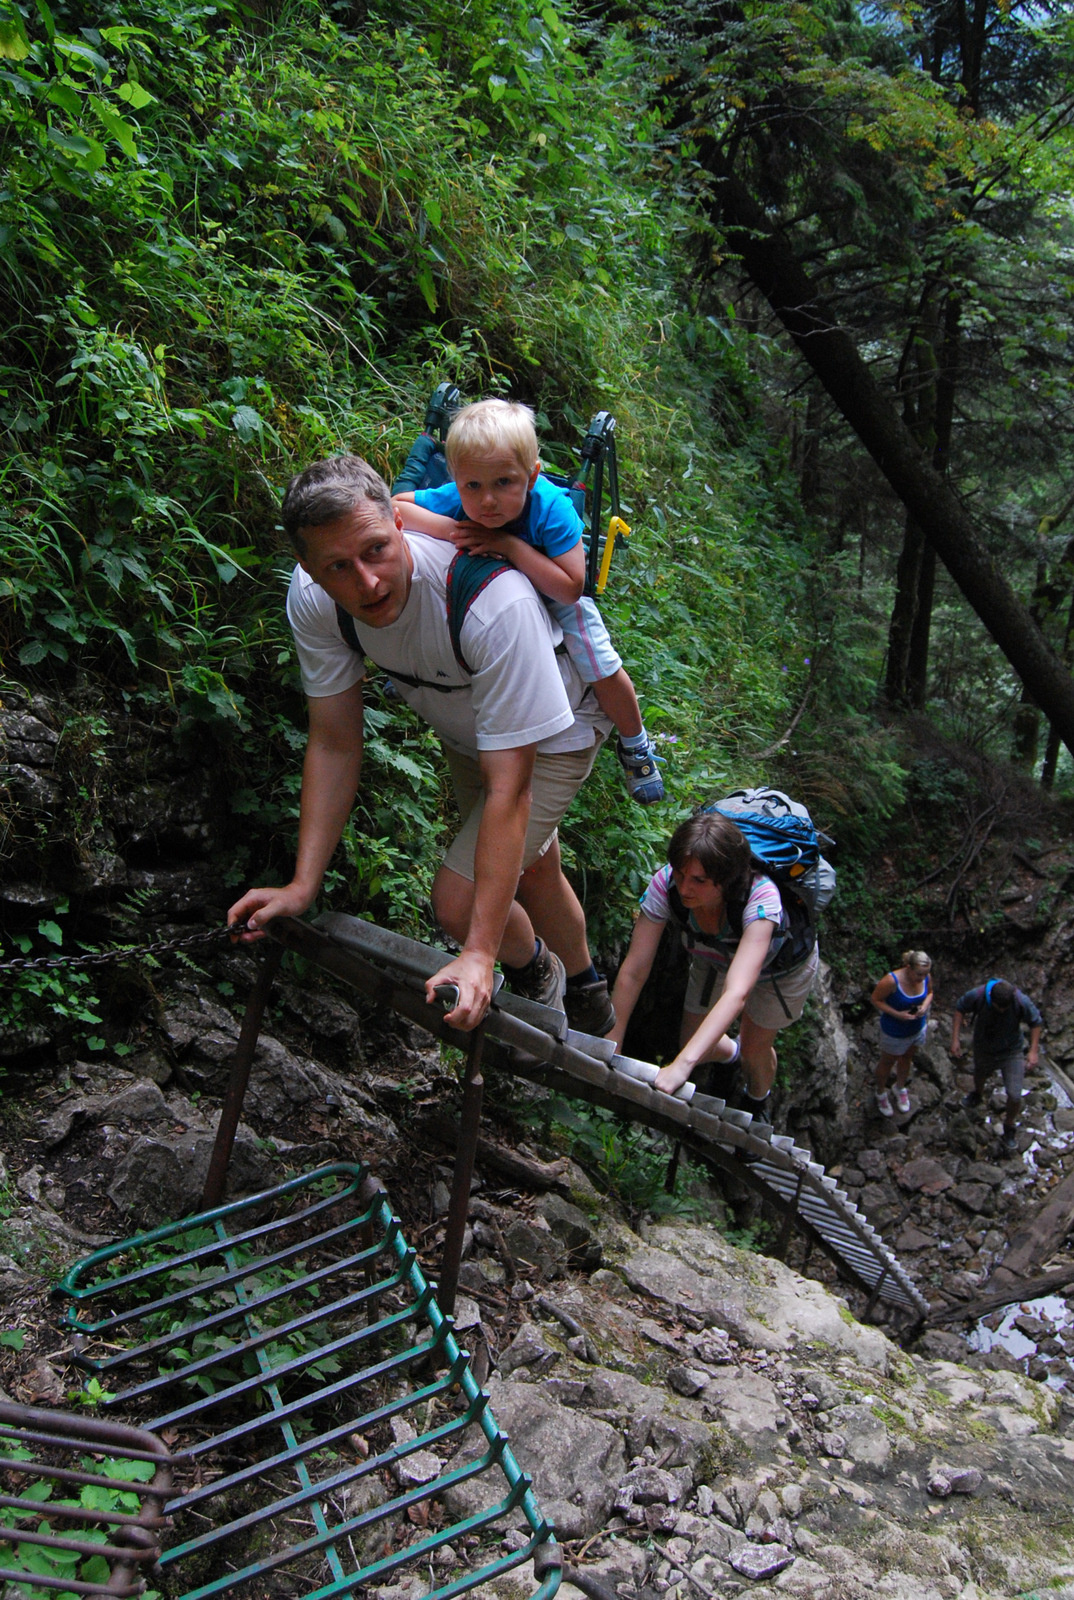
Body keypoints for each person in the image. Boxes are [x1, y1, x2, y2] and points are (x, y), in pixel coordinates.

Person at [228, 453, 617, 1037]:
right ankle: (587, 986)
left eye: (376, 550)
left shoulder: (492, 600)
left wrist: (481, 951)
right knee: (527, 867)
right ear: (306, 566)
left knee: (461, 902)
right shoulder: (314, 601)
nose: (366, 582)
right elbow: (335, 742)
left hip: (555, 728)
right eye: (337, 567)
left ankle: (540, 976)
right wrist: (303, 884)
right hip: (468, 719)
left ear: (400, 520)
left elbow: (511, 789)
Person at [392, 399, 664, 805]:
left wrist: (509, 546)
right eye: (473, 486)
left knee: (600, 665)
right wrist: (456, 530)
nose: (487, 502)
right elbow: (396, 508)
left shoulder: (550, 509)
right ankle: (420, 674)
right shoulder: (459, 498)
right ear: (456, 477)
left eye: (504, 483)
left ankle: (635, 742)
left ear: (532, 475)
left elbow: (572, 585)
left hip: (551, 586)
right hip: (488, 592)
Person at [607, 811, 819, 1121]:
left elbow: (737, 992)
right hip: (714, 955)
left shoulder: (761, 898)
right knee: (695, 1044)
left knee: (754, 1050)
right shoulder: (665, 884)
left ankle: (757, 1099)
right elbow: (635, 968)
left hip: (781, 971)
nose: (684, 888)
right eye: (680, 874)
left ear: (728, 878)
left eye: (698, 880)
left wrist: (681, 1065)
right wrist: (611, 1041)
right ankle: (731, 1056)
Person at [951, 978, 1042, 1154]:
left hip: (1012, 1051)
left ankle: (1009, 1126)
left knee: (1015, 1094)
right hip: (984, 1047)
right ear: (991, 998)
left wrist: (1033, 1051)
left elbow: (1036, 1022)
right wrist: (955, 1039)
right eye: (998, 1007)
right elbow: (960, 1008)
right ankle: (977, 1094)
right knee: (980, 1073)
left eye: (1004, 1008)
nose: (1001, 1010)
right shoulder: (978, 995)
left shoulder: (1021, 1001)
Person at [870, 951, 933, 1117]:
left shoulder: (926, 976)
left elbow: (930, 993)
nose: (922, 978)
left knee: (907, 1058)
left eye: (925, 974)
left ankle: (900, 1087)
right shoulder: (891, 981)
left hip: (916, 1028)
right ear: (908, 968)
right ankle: (881, 1092)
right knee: (887, 1062)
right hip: (894, 1031)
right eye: (918, 974)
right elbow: (876, 999)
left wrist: (924, 1006)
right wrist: (898, 1014)